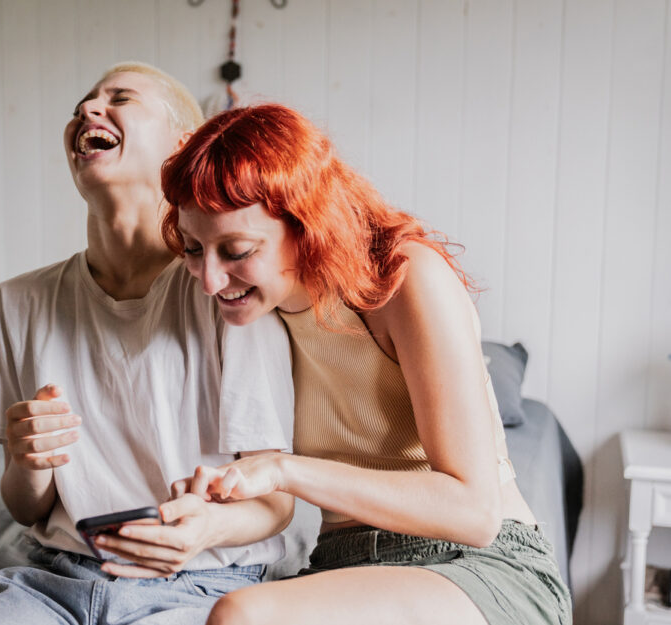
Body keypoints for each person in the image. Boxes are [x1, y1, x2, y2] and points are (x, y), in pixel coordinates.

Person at [158, 104, 572, 625]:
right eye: (194, 249)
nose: (211, 280)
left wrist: (284, 470)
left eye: (237, 250)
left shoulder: (406, 279)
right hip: (341, 566)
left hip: (478, 565)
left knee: (242, 614)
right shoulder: (250, 312)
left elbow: (474, 513)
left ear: (306, 225)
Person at [0, 64, 295, 625]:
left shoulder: (229, 296)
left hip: (205, 582)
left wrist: (207, 529)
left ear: (183, 149)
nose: (88, 110)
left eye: (121, 98)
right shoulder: (17, 302)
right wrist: (30, 460)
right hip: (54, 579)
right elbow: (24, 506)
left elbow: (277, 500)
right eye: (83, 102)